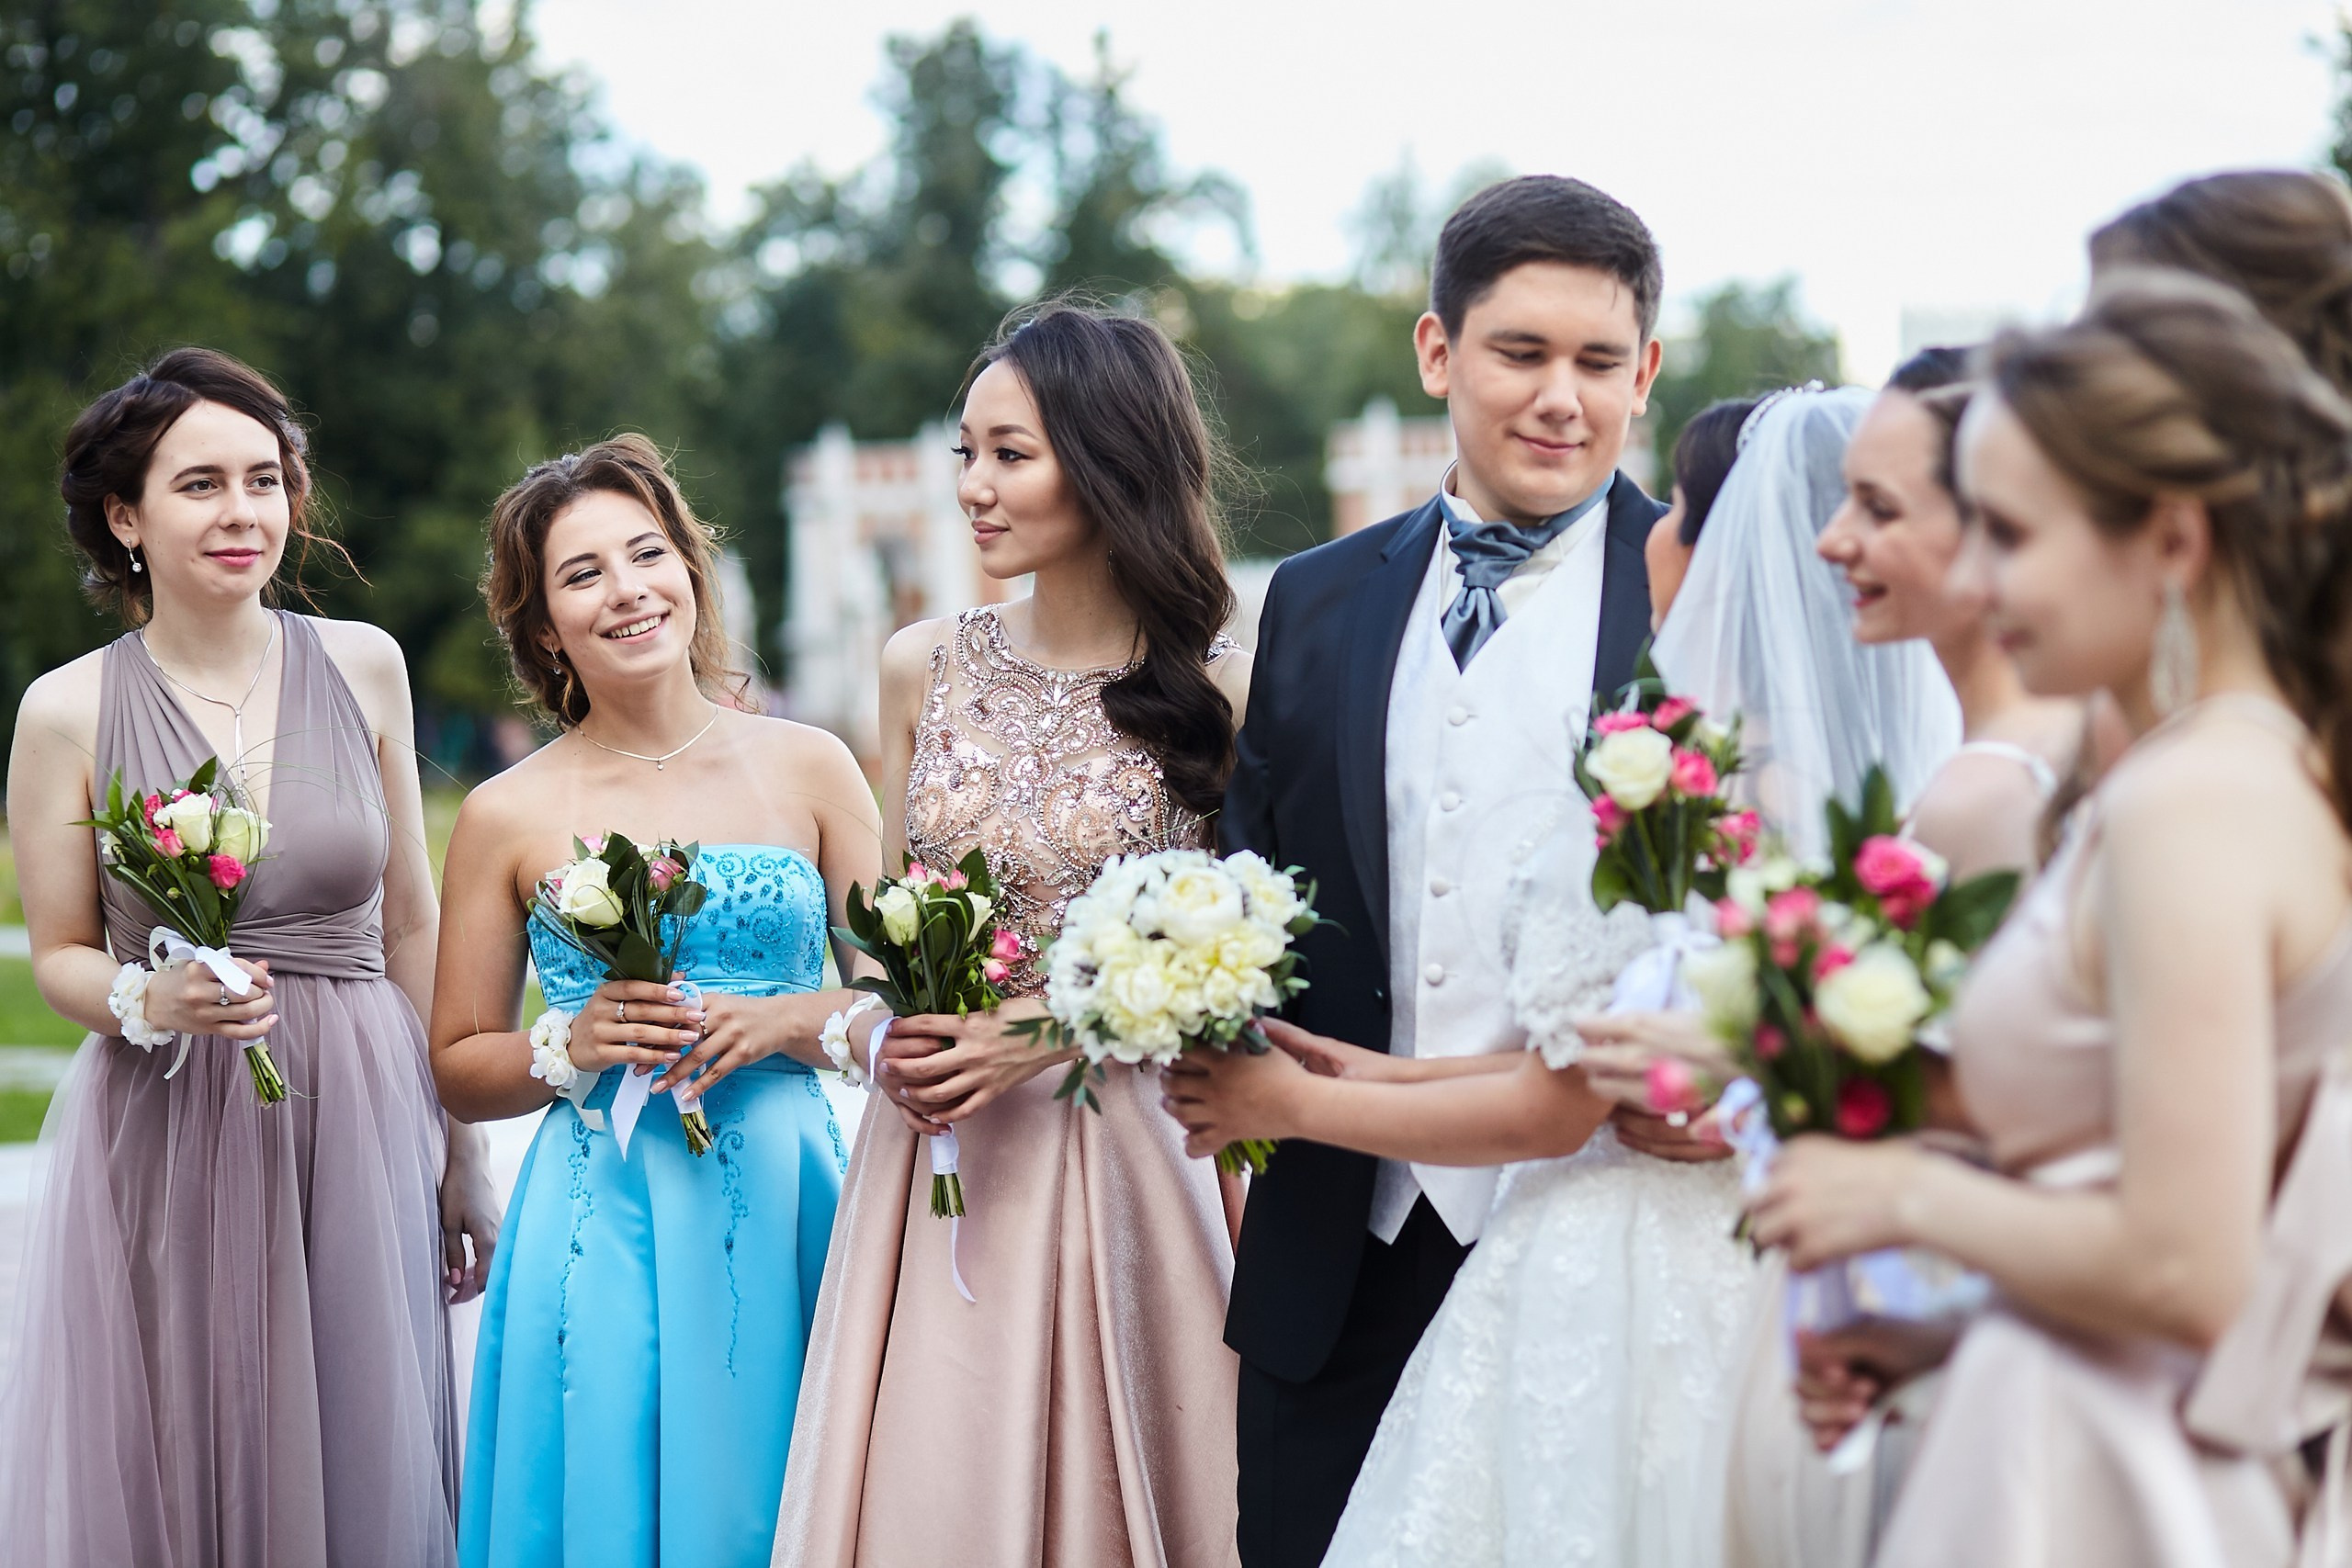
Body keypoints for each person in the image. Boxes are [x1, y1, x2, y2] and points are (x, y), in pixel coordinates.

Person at [1168, 175, 1735, 1568]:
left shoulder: (1703, 606)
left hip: (1590, 1232)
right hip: (1329, 1253)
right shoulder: (1313, 593)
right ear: (1438, 352)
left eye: (1600, 362)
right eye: (1521, 352)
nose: (1563, 396)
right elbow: (1252, 868)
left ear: (1647, 373)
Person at [1751, 272, 2352, 1565]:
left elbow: (2187, 1271)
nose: (1974, 575)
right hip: (2076, 1430)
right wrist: (1945, 1334)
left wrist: (1902, 1188)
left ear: (2175, 543)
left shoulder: (2189, 808)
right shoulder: (2227, 774)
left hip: (2114, 1486)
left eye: (2010, 535)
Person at [774, 302, 1252, 1568]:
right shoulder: (919, 665)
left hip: (1130, 1151)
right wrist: (891, 1032)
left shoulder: (1223, 686)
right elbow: (884, 932)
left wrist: (1042, 1031)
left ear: (1107, 459)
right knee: (937, 1489)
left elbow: (1252, 962)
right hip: (934, 1155)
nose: (975, 489)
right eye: (964, 455)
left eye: (1011, 454)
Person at [0, 347, 491, 1564]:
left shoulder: (365, 663)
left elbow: (413, 921)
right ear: (127, 516)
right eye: (201, 483)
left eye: (264, 480)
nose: (243, 512)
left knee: (364, 1440)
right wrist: (143, 995)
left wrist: (457, 1146)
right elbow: (59, 948)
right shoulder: (65, 708)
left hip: (364, 1105)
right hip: (173, 1118)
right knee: (189, 1436)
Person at [432, 435, 881, 1568]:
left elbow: (897, 1007)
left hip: (790, 1200)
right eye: (583, 574)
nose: (628, 590)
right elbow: (456, 1064)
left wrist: (793, 1020)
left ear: (690, 567)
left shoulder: (813, 765)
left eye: (647, 554)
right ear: (542, 627)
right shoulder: (505, 811)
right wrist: (565, 1043)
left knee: (785, 1496)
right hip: (600, 1208)